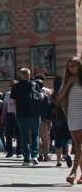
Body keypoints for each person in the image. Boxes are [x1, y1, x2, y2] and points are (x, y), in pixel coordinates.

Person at [10, 67, 43, 167]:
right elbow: (41, 97)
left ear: (20, 75)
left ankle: (26, 158)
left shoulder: (16, 87)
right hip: (35, 114)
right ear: (29, 74)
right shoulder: (35, 84)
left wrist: (16, 113)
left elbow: (13, 102)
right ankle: (34, 156)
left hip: (21, 115)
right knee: (35, 135)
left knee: (24, 136)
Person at [57, 57, 82, 185]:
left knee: (79, 146)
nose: (71, 68)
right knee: (78, 146)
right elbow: (59, 97)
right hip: (72, 115)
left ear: (79, 65)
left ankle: (73, 173)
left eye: (73, 66)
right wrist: (68, 83)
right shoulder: (67, 79)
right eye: (69, 66)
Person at [53, 66, 73, 168]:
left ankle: (58, 161)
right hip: (67, 117)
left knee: (58, 139)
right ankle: (67, 153)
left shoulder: (53, 93)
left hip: (56, 118)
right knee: (68, 138)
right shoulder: (67, 91)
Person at [35, 75, 53, 162]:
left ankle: (40, 154)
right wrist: (49, 119)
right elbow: (49, 108)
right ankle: (45, 154)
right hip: (44, 119)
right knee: (45, 138)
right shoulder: (45, 95)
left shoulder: (32, 95)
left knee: (36, 137)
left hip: (35, 119)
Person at [2, 84, 20, 158]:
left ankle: (19, 151)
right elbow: (5, 105)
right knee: (8, 134)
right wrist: (3, 115)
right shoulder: (8, 94)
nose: (12, 87)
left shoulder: (19, 93)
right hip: (10, 114)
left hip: (18, 114)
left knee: (19, 133)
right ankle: (9, 152)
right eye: (11, 86)